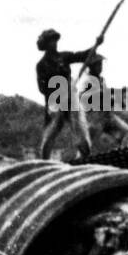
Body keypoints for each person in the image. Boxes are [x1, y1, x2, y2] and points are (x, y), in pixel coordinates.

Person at [36, 28, 98, 160]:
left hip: (70, 98)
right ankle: (44, 160)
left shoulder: (63, 57)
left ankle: (84, 156)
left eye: (55, 40)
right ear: (46, 44)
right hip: (55, 100)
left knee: (79, 127)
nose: (54, 43)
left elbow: (81, 55)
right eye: (51, 41)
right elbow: (42, 88)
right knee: (51, 132)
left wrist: (96, 45)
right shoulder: (42, 65)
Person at [79, 52, 128, 150]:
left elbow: (105, 95)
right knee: (89, 144)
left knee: (127, 132)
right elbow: (82, 97)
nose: (100, 67)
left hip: (106, 115)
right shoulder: (87, 81)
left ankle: (125, 153)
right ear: (91, 67)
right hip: (95, 117)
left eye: (101, 64)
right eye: (98, 65)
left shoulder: (101, 80)